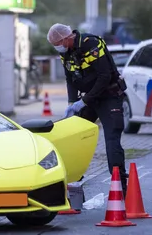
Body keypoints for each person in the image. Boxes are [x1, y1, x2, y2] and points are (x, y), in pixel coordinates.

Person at [47, 23, 129, 195]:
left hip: (109, 96)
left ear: (67, 38)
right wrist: (71, 103)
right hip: (88, 99)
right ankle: (72, 184)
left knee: (111, 139)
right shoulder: (67, 53)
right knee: (71, 136)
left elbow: (104, 76)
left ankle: (121, 187)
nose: (58, 48)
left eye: (58, 44)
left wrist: (84, 101)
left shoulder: (91, 44)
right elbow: (70, 79)